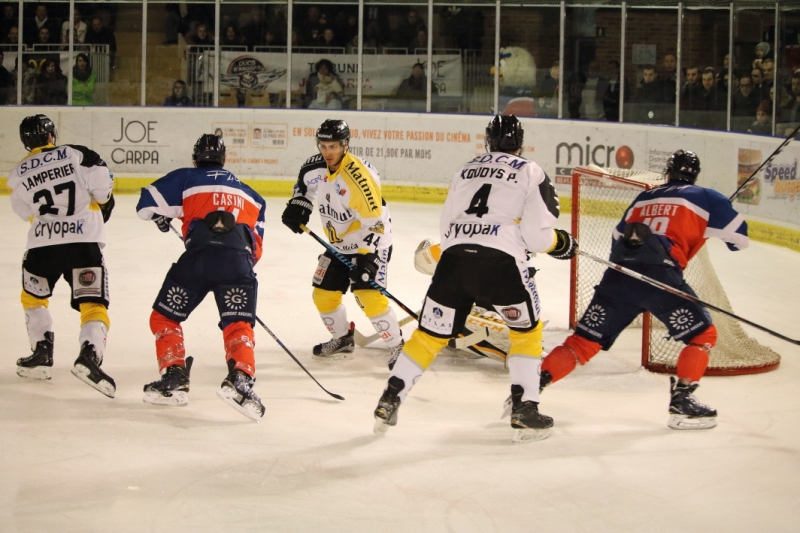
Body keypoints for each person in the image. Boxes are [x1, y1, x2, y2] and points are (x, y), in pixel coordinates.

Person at [371, 115, 578, 443]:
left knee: (428, 337)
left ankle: (390, 398)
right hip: (501, 266)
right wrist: (561, 243)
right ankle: (524, 409)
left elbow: (446, 227)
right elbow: (537, 238)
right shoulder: (530, 170)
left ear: (487, 141)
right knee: (526, 334)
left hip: (453, 263)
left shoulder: (465, 169)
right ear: (521, 143)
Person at [539, 150, 748, 430]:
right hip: (659, 278)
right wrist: (707, 224)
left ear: (668, 171)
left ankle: (527, 394)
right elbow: (740, 240)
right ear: (695, 174)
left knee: (582, 343)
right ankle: (683, 401)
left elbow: (617, 240)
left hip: (619, 276)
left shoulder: (644, 197)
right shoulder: (708, 197)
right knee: (702, 335)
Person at [136, 134, 267, 420]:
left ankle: (174, 376)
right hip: (238, 263)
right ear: (225, 160)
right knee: (238, 324)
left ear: (195, 159)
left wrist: (162, 217)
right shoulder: (252, 196)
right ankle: (241, 380)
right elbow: (256, 249)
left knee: (164, 318)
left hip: (199, 260)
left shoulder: (186, 177)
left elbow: (145, 206)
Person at [8, 114, 116, 397]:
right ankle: (89, 356)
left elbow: (23, 211)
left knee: (33, 298)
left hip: (42, 246)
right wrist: (103, 202)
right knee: (92, 303)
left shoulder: (18, 171)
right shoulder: (75, 153)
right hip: (83, 245)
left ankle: (41, 352)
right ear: (50, 136)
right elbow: (102, 184)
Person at [280, 120, 404, 364]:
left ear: (345, 144)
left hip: (371, 241)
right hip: (338, 245)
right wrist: (299, 204)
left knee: (368, 294)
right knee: (323, 295)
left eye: (334, 146)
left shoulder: (358, 179)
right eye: (323, 146)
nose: (328, 152)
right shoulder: (314, 166)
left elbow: (375, 222)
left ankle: (398, 346)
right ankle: (343, 339)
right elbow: (304, 186)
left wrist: (367, 258)